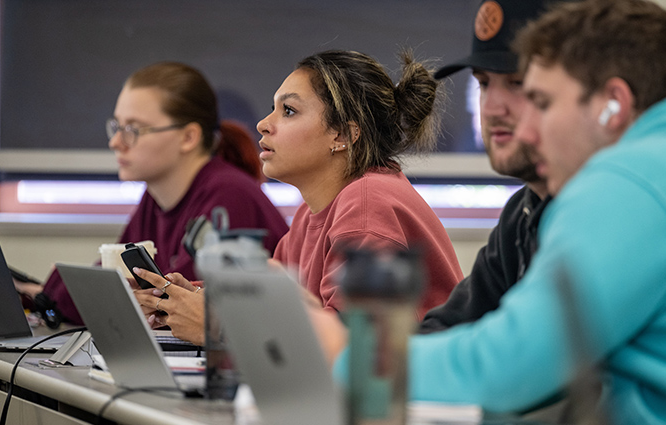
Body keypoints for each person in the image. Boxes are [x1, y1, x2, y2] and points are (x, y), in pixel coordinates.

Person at [326, 1, 666, 425]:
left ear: (614, 105)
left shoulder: (638, 180)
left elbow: (506, 369)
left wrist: (348, 358)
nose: (529, 131)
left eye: (543, 103)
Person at [135, 50, 464, 344]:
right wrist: (188, 299)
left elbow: (361, 346)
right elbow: (272, 304)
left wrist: (219, 324)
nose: (263, 124)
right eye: (272, 109)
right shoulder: (312, 213)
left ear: (343, 134)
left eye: (289, 110)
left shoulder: (368, 202)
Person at [20, 62, 289, 325]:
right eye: (116, 127)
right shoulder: (155, 196)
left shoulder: (229, 196)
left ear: (188, 137)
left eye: (132, 130)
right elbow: (109, 283)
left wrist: (55, 292)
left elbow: (169, 304)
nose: (115, 142)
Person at [419, 0, 569, 333]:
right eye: (484, 83)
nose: (492, 107)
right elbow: (453, 325)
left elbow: (529, 356)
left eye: (516, 82)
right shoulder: (523, 209)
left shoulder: (598, 207)